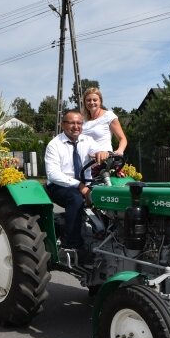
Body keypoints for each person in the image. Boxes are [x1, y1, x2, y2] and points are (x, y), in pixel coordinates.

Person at [45, 110, 109, 261]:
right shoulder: (54, 145)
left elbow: (97, 151)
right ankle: (72, 245)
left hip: (85, 184)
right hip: (59, 186)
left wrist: (102, 153)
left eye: (79, 123)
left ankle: (106, 238)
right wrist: (80, 187)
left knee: (109, 196)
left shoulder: (87, 140)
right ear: (63, 125)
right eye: (72, 123)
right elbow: (53, 174)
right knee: (75, 199)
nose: (76, 126)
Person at [81, 87, 127, 155]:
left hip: (103, 161)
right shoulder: (83, 120)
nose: (91, 102)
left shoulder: (108, 116)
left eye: (95, 100)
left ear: (100, 101)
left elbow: (122, 139)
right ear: (85, 102)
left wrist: (120, 150)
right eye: (88, 100)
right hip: (86, 163)